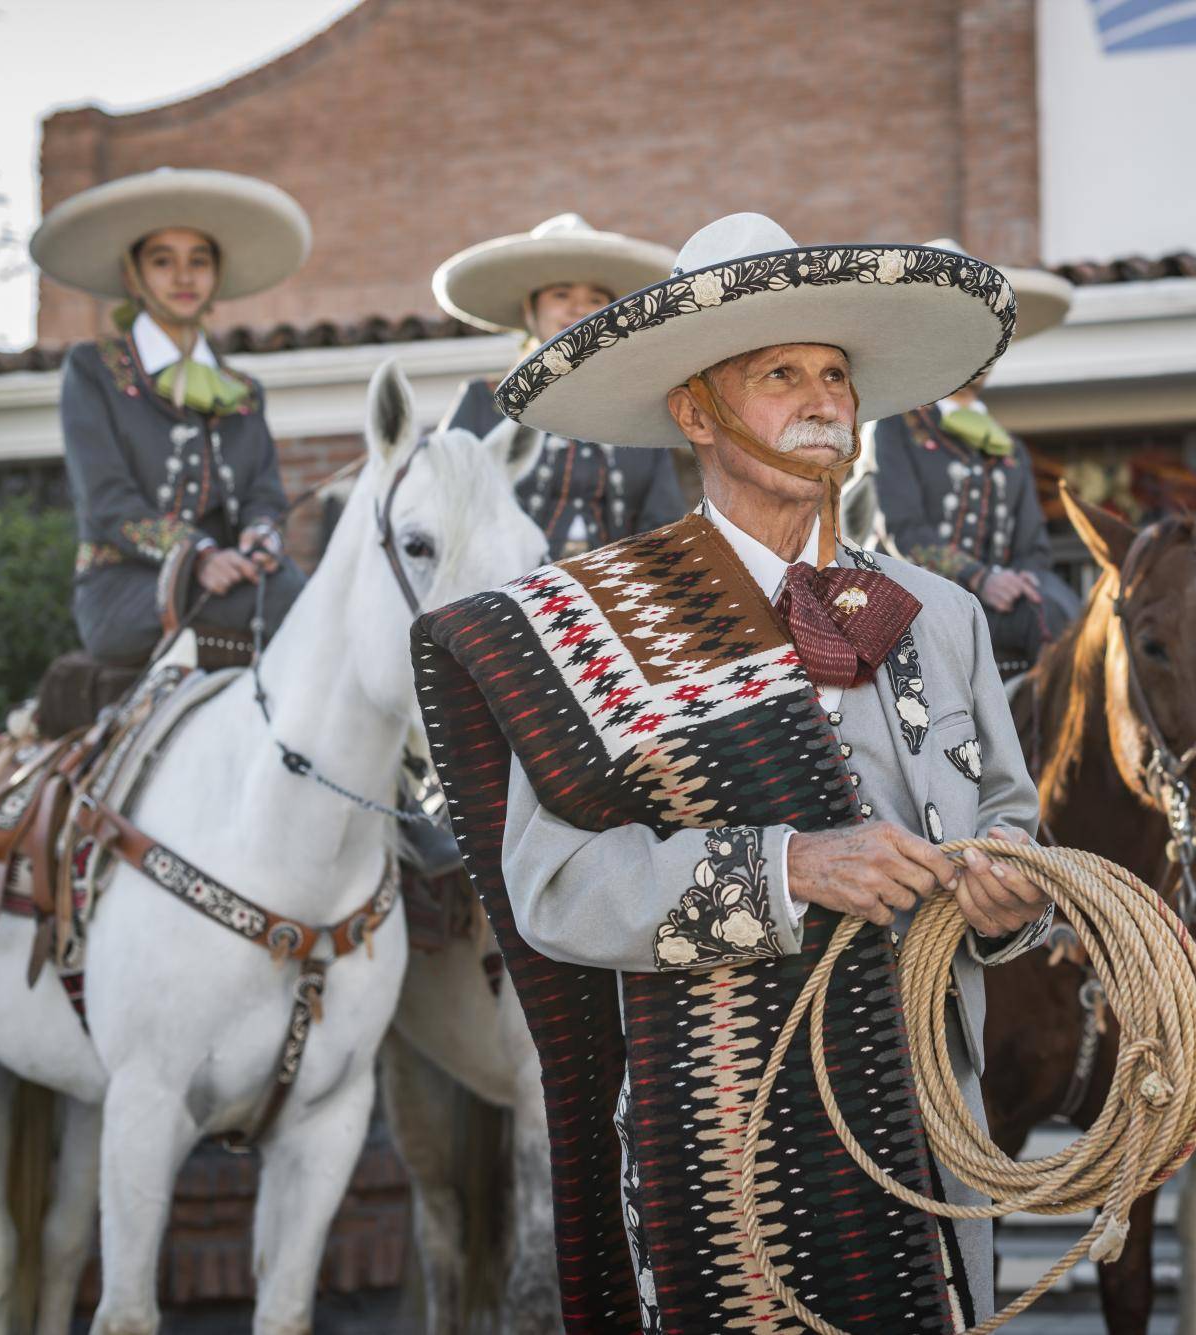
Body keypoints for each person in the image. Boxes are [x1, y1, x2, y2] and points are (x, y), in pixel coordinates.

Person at [413, 213, 1055, 1330]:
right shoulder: (594, 627)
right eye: (778, 375)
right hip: (721, 1136)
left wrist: (1012, 889)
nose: (823, 402)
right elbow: (554, 889)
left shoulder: (943, 616)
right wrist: (788, 867)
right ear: (695, 411)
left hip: (930, 1133)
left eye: (834, 376)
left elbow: (1009, 817)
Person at [30, 167, 310, 667]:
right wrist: (198, 557)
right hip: (124, 592)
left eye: (198, 261)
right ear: (132, 275)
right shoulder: (93, 370)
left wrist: (261, 534)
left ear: (216, 275)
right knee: (292, 601)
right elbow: (106, 500)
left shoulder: (244, 392)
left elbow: (263, 494)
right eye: (163, 261)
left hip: (238, 585)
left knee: (292, 585)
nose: (184, 277)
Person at [868, 239, 1081, 672]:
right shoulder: (895, 426)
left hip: (997, 612)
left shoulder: (1008, 449)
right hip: (909, 607)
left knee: (1070, 620)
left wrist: (1016, 582)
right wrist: (981, 578)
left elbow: (1033, 549)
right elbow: (903, 532)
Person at [433, 213, 685, 555]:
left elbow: (662, 527)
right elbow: (441, 505)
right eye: (561, 294)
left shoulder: (640, 414)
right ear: (530, 310)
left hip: (614, 596)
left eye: (595, 299)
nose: (578, 308)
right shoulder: (481, 403)